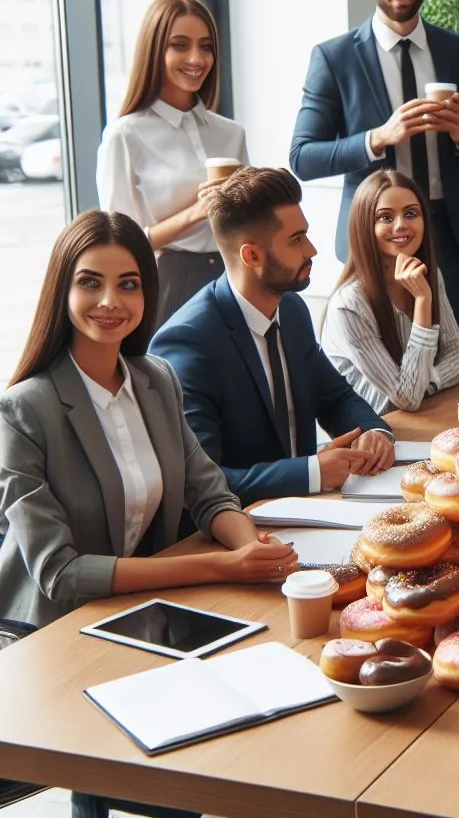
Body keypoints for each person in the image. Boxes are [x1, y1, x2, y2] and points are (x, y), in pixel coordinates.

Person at [0, 211, 296, 818]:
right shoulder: (24, 411)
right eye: (90, 282)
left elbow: (209, 493)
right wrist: (219, 568)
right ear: (62, 290)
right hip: (51, 637)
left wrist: (250, 547)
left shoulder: (155, 379)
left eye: (128, 284)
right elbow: (61, 573)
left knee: (243, 738)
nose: (110, 301)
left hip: (137, 616)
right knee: (180, 791)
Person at [289, 0, 459, 331]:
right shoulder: (335, 58)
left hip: (446, 237)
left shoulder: (458, 52)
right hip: (373, 238)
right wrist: (377, 138)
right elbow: (303, 157)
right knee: (380, 356)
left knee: (449, 355)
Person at [150, 168, 394, 508]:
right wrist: (312, 472)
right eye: (296, 240)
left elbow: (336, 397)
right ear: (251, 256)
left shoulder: (291, 309)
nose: (311, 249)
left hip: (309, 511)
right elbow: (202, 481)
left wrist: (373, 432)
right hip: (238, 526)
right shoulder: (188, 343)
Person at [96, 0, 248, 326]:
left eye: (206, 47)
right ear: (154, 51)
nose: (196, 58)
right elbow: (118, 242)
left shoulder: (231, 133)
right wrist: (198, 211)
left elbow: (247, 222)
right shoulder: (125, 135)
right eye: (180, 45)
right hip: (170, 280)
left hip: (236, 275)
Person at [321, 170, 459, 414]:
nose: (401, 225)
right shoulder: (348, 305)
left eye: (411, 214)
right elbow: (407, 397)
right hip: (375, 428)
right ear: (364, 226)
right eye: (386, 217)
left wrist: (426, 383)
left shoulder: (429, 274)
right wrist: (423, 301)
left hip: (421, 414)